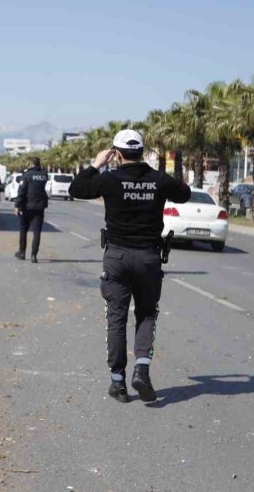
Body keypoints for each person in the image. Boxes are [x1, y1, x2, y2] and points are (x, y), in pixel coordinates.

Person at [70, 129, 190, 403]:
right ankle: (142, 370)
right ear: (142, 152)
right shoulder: (158, 179)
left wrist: (96, 164)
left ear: (116, 154)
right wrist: (162, 180)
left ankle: (118, 383)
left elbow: (76, 189)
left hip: (117, 257)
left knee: (117, 317)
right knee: (146, 314)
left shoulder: (109, 179)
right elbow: (183, 194)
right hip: (148, 257)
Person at [15, 156, 49, 263]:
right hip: (39, 207)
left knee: (23, 229)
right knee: (37, 232)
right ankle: (34, 255)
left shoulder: (27, 175)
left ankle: (22, 253)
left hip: (27, 206)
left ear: (31, 164)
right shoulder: (44, 175)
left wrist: (17, 205)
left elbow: (21, 191)